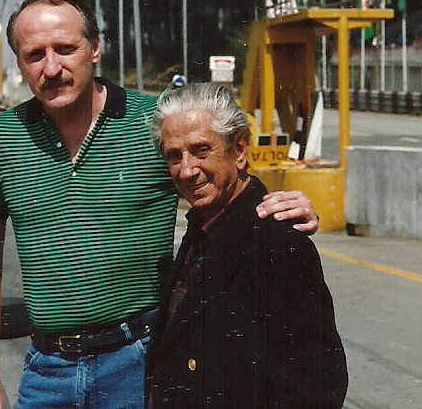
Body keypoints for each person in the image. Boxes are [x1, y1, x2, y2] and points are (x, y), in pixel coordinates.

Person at [0, 0, 319, 409]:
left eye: (65, 49)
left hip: (141, 365)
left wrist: (283, 207)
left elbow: (222, 179)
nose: (52, 67)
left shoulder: (153, 122)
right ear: (19, 62)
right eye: (34, 55)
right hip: (46, 373)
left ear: (95, 49)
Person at [146, 83, 347, 408]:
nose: (186, 170)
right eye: (173, 156)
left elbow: (319, 380)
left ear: (239, 150)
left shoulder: (277, 242)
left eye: (201, 150)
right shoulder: (204, 225)